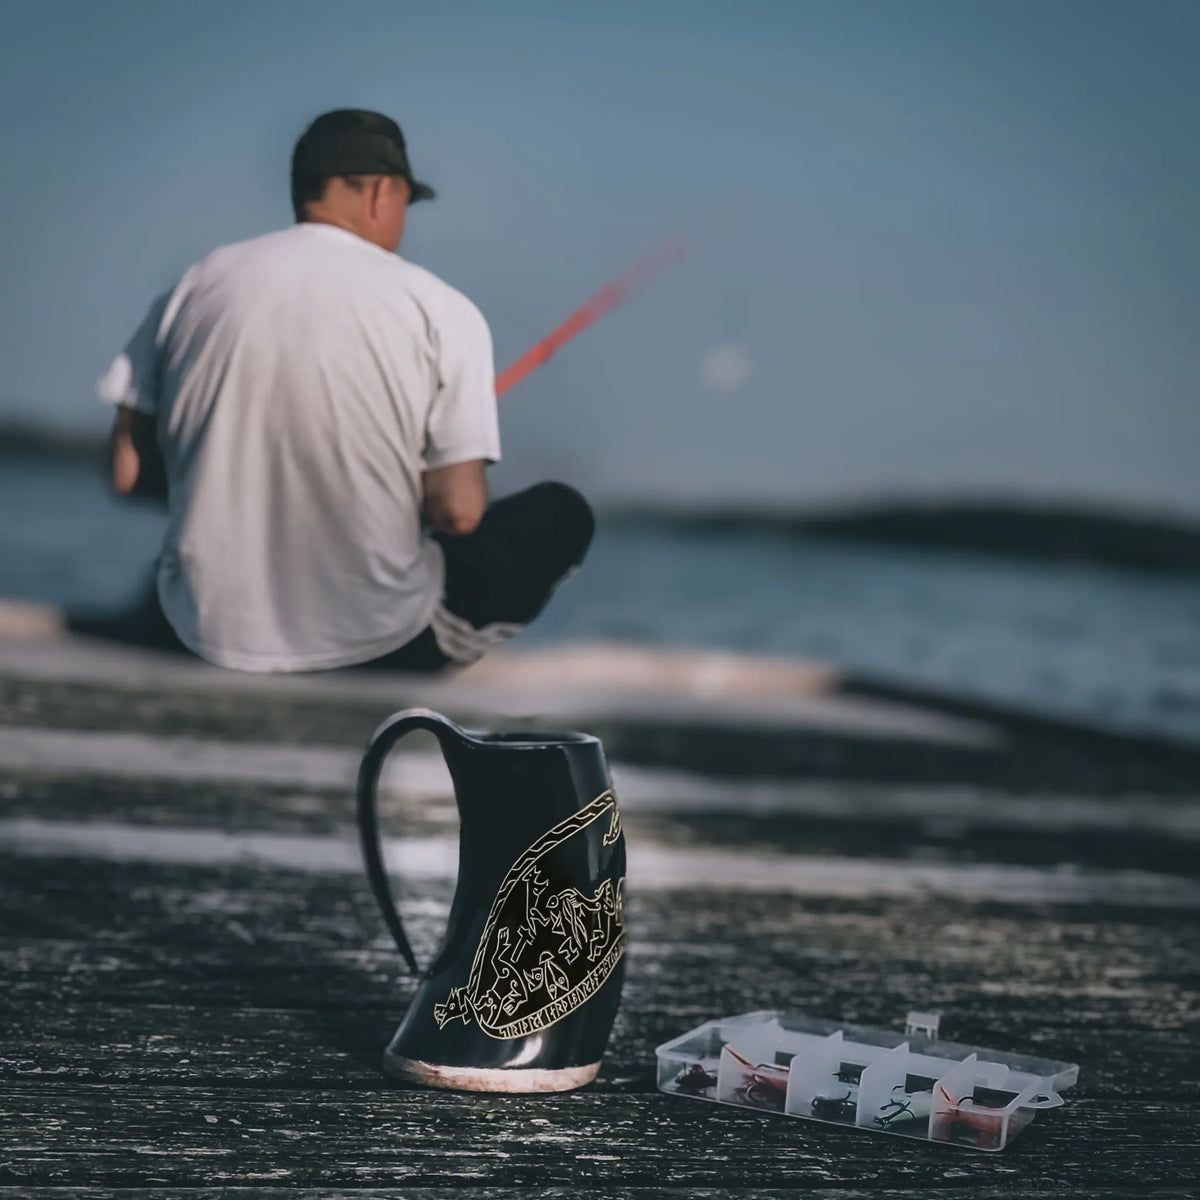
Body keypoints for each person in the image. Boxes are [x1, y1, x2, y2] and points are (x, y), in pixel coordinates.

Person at [95, 109, 593, 673]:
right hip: (374, 642)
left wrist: (233, 486)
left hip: (201, 626)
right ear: (383, 192)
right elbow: (457, 512)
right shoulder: (444, 310)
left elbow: (127, 473)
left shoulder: (195, 284)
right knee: (561, 512)